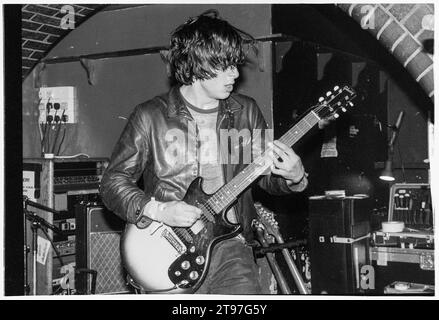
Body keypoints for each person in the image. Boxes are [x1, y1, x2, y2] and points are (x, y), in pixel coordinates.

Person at [100, 9, 308, 295]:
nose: (235, 73)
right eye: (225, 65)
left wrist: (294, 177)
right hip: (167, 249)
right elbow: (112, 182)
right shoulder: (150, 116)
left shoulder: (246, 111)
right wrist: (160, 210)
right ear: (198, 64)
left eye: (235, 64)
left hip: (231, 246)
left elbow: (265, 177)